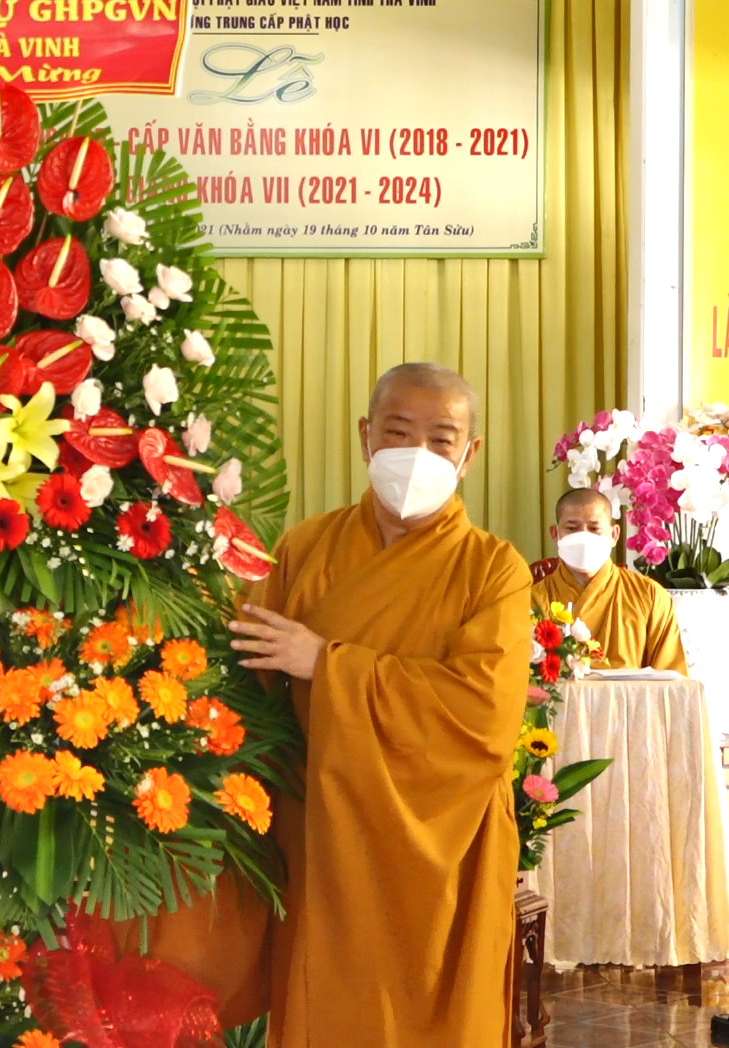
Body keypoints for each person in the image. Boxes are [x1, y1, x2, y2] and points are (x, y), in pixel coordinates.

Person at [217, 363, 532, 1047]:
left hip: (443, 842)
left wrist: (325, 665)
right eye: (397, 432)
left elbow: (484, 714)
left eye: (441, 440)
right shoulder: (305, 548)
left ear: (470, 454)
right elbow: (246, 679)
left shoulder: (493, 570)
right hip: (324, 837)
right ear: (365, 437)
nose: (417, 454)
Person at [531, 486, 688, 673]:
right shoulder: (533, 599)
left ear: (614, 535)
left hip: (633, 694)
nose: (583, 537)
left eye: (594, 529)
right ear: (555, 534)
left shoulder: (650, 595)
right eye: (572, 529)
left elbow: (671, 678)